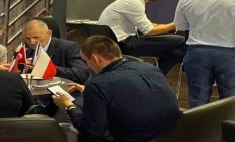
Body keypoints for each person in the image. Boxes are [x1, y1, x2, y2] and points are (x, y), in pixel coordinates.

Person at [52, 36, 180, 142]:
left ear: (95, 59)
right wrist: (88, 91)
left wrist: (68, 105)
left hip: (134, 136)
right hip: (171, 132)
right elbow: (132, 93)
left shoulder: (99, 84)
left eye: (86, 61)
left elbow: (92, 132)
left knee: (68, 129)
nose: (88, 66)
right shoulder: (149, 67)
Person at [97, 0, 186, 75]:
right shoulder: (134, 2)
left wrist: (165, 27)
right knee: (181, 39)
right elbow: (149, 31)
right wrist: (177, 23)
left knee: (176, 53)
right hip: (122, 44)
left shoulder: (130, 0)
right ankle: (187, 69)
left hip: (117, 42)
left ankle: (152, 76)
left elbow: (146, 25)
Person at [23, 18, 90, 84]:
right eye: (27, 39)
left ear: (49, 33)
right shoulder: (27, 52)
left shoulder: (69, 47)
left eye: (36, 37)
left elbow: (81, 74)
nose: (31, 42)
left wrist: (48, 68)